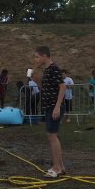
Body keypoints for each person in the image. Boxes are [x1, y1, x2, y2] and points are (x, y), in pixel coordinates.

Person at [34, 46, 66, 178]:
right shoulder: (47, 70)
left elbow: (62, 87)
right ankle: (61, 166)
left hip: (54, 106)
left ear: (44, 56)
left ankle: (57, 168)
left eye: (36, 56)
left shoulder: (53, 68)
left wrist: (57, 106)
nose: (35, 59)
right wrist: (36, 78)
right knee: (51, 136)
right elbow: (44, 88)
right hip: (49, 106)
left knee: (52, 136)